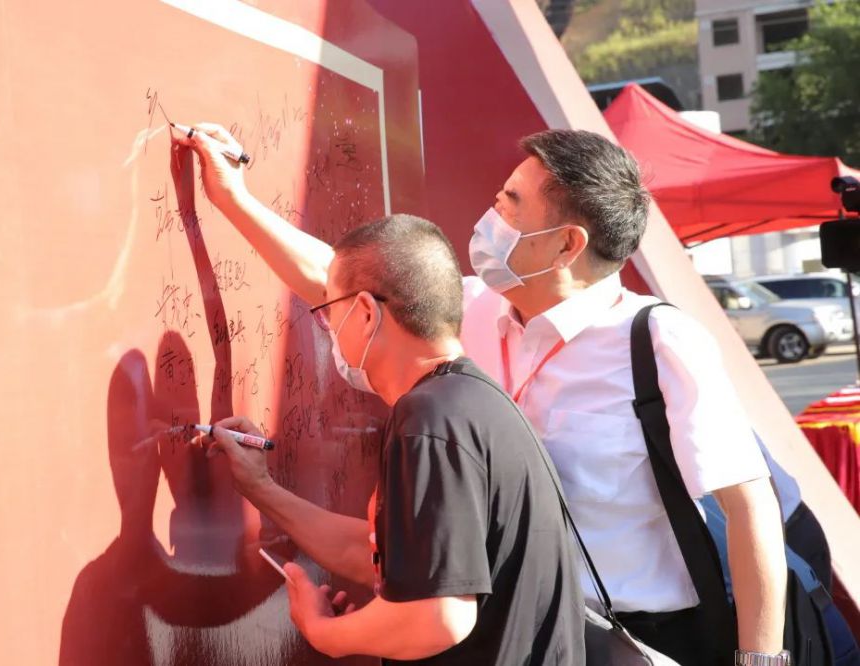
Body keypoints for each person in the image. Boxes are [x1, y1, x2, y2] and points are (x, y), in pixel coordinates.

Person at [177, 123, 790, 665]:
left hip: (640, 636)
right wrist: (233, 198)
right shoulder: (471, 311)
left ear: (568, 244)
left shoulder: (658, 341)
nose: (489, 217)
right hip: (510, 623)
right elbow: (341, 283)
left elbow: (749, 506)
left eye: (510, 205)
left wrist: (761, 660)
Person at [193, 213, 585, 663]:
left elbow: (438, 616)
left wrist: (324, 633)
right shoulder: (470, 402)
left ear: (365, 312)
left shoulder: (429, 420)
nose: (328, 326)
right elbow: (385, 555)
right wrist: (260, 487)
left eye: (328, 310)